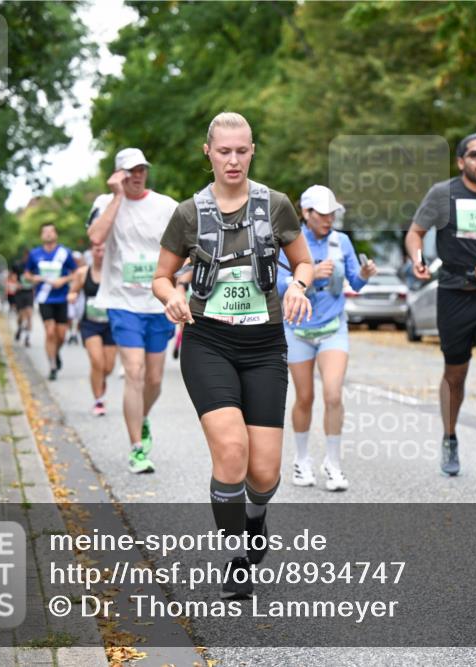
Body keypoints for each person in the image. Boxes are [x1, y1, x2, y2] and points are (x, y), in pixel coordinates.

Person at [153, 112, 313, 599]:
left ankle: (255, 516)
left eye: (242, 150)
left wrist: (299, 286)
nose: (233, 160)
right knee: (231, 451)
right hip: (208, 342)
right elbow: (161, 277)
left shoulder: (276, 206)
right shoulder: (188, 213)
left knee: (264, 472)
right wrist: (171, 298)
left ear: (252, 151)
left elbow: (302, 260)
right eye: (224, 151)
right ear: (208, 152)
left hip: (264, 344)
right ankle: (236, 554)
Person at [404, 133, 476, 483]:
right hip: (454, 293)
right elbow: (415, 233)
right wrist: (418, 260)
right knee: (455, 374)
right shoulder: (443, 194)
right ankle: (450, 438)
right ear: (461, 162)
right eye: (475, 155)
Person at [278, 185, 378, 492]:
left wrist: (364, 273)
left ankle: (333, 464)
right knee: (304, 397)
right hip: (297, 328)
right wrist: (309, 277)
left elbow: (355, 284)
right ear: (306, 214)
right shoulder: (291, 243)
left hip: (333, 327)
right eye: (322, 213)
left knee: (333, 394)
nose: (328, 218)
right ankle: (302, 459)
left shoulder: (341, 241)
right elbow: (279, 287)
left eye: (332, 212)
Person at [88, 147, 179, 474]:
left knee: (154, 378)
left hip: (156, 300)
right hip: (121, 302)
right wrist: (116, 198)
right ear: (118, 175)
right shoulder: (104, 203)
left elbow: (185, 248)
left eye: (141, 169)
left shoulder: (165, 205)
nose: (137, 175)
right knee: (135, 371)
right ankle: (136, 450)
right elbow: (95, 237)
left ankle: (141, 419)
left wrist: (178, 283)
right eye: (129, 171)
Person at [69, 241, 117, 416]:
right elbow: (73, 291)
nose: (101, 253)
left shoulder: (114, 272)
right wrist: (72, 296)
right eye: (97, 249)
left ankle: (100, 380)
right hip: (90, 323)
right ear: (92, 251)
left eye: (104, 249)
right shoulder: (83, 273)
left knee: (108, 366)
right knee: (97, 361)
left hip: (111, 323)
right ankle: (98, 401)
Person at [24, 223, 77, 380]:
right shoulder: (35, 254)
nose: (47, 234)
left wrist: (64, 280)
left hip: (61, 298)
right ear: (41, 236)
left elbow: (76, 273)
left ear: (56, 234)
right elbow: (27, 274)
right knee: (50, 331)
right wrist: (35, 278)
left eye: (50, 231)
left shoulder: (64, 253)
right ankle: (52, 365)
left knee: (61, 335)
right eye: (44, 232)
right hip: (44, 298)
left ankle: (56, 352)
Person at [11, 249, 35, 346]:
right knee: (21, 315)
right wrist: (16, 283)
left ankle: (27, 338)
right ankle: (19, 328)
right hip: (20, 293)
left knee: (29, 315)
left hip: (29, 293)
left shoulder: (34, 267)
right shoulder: (18, 265)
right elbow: (13, 276)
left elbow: (37, 277)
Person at [66, 250, 86, 346]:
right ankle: (71, 333)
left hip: (80, 295)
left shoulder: (83, 270)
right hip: (70, 294)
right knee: (70, 316)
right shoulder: (68, 269)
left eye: (77, 259)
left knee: (78, 317)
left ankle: (74, 334)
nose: (75, 261)